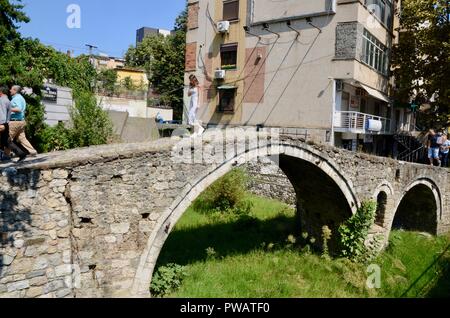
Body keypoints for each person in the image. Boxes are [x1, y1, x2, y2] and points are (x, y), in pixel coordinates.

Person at [7, 85, 37, 157]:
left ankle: (6, 155)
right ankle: (33, 151)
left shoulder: (16, 98)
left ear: (15, 90)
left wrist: (8, 108)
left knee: (7, 139)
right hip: (21, 121)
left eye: (11, 89)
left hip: (15, 122)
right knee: (22, 138)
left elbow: (19, 109)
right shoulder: (20, 98)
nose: (10, 90)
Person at [0, 86, 26, 161]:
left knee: (6, 141)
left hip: (2, 123)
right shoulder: (8, 100)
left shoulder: (2, 100)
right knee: (7, 142)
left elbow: (2, 113)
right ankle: (21, 154)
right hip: (6, 123)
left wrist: (1, 124)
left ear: (1, 92)